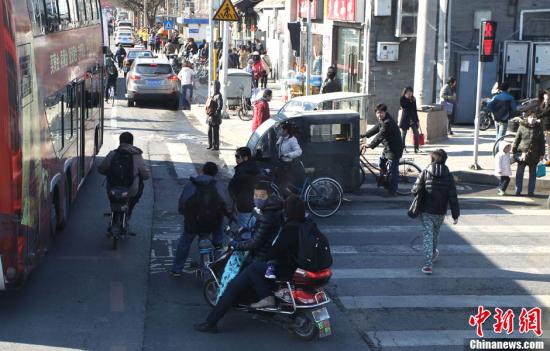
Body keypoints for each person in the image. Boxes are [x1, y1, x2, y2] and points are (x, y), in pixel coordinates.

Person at [194, 195, 302, 334]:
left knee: (233, 286)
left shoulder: (272, 220)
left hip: (270, 264)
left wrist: (236, 245)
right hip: (286, 264)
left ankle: (211, 323)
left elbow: (258, 244)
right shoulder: (289, 220)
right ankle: (264, 310)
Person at [169, 162, 228, 276]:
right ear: (215, 173)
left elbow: (183, 203)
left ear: (202, 171)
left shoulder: (192, 184)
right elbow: (227, 204)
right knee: (219, 241)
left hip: (193, 222)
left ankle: (177, 269)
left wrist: (185, 214)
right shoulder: (220, 185)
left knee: (185, 242)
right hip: (214, 222)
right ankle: (219, 268)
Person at [412, 149, 459, 275]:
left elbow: (414, 189)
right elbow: (453, 197)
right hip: (440, 211)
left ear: (432, 159)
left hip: (426, 210)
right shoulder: (449, 176)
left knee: (428, 235)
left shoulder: (425, 172)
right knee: (435, 234)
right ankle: (432, 253)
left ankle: (428, 265)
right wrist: (455, 215)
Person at [98, 132, 151, 221]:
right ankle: (129, 211)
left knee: (112, 197)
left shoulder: (112, 154)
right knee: (139, 185)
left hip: (113, 189)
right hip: (130, 190)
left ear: (120, 141)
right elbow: (146, 175)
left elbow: (101, 169)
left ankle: (114, 212)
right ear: (132, 142)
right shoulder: (136, 156)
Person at [362, 104, 404, 196]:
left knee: (393, 172)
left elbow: (380, 135)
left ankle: (392, 192)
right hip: (388, 148)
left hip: (394, 149)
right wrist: (364, 135)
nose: (379, 115)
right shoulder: (383, 120)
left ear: (385, 112)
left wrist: (370, 145)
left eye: (381, 112)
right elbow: (376, 128)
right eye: (377, 113)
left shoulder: (387, 122)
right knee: (381, 162)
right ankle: (385, 176)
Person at [512, 113, 546, 196]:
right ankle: (518, 190)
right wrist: (514, 152)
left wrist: (542, 154)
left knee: (532, 174)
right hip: (522, 153)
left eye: (534, 117)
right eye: (531, 117)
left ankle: (531, 191)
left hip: (535, 154)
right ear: (527, 118)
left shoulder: (539, 128)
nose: (533, 118)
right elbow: (517, 140)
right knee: (520, 172)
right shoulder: (522, 126)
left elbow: (542, 142)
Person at [228, 147, 260, 229]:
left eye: (238, 156)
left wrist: (235, 197)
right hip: (255, 201)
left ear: (245, 158)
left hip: (244, 203)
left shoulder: (241, 171)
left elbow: (234, 186)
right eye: (235, 156)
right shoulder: (254, 167)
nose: (236, 158)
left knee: (244, 228)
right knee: (253, 223)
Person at [274, 121, 303, 194]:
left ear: (286, 130)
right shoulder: (282, 138)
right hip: (282, 163)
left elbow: (299, 151)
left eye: (281, 129)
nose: (279, 131)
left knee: (287, 184)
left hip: (289, 166)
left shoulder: (292, 140)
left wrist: (288, 154)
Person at [399, 87, 420, 153]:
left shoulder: (413, 99)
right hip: (405, 118)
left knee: (416, 133)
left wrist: (417, 120)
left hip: (413, 119)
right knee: (403, 134)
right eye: (408, 91)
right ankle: (403, 148)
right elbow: (405, 107)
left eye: (411, 91)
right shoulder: (402, 99)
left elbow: (415, 110)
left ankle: (416, 148)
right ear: (405, 92)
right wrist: (409, 100)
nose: (410, 93)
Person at [206, 81, 223, 150]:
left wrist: (215, 112)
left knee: (215, 133)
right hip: (210, 116)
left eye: (215, 86)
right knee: (209, 131)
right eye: (213, 86)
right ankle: (210, 144)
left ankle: (216, 146)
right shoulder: (213, 95)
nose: (214, 88)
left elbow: (220, 106)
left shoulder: (219, 95)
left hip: (215, 117)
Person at [536, 89, 550, 159]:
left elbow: (545, 113)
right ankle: (542, 155)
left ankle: (549, 157)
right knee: (541, 142)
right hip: (541, 125)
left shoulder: (549, 105)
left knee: (548, 142)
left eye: (547, 96)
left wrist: (536, 116)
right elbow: (538, 112)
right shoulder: (542, 104)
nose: (545, 97)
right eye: (544, 96)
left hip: (548, 126)